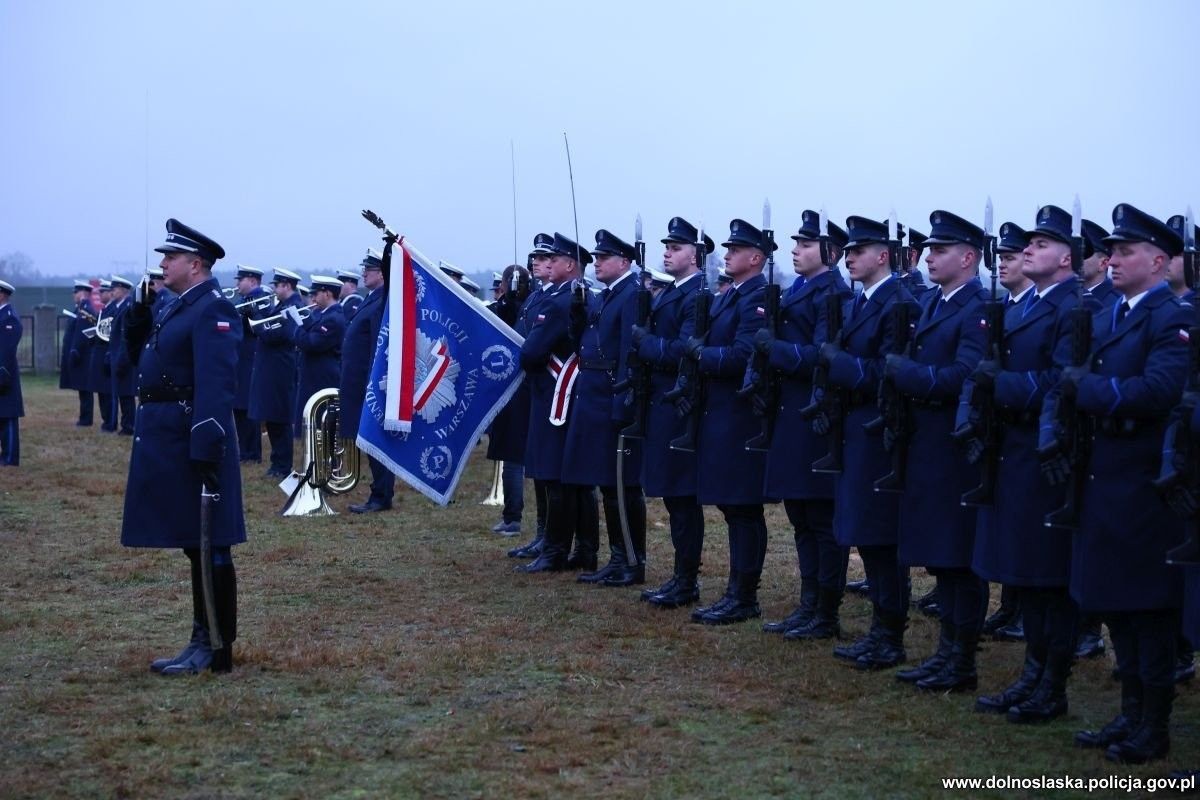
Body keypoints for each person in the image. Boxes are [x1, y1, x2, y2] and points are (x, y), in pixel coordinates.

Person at [1048, 204, 1189, 763]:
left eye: (1126, 251)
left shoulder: (1170, 317)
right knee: (1118, 606)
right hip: (1105, 476)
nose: (1113, 260)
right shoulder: (1109, 314)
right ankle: (1129, 714)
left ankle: (1152, 726)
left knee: (1147, 608)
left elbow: (1161, 391)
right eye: (1113, 251)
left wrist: (1089, 393)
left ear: (1158, 260)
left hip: (1143, 480)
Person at [968, 208, 1088, 721]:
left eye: (1041, 244)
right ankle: (1032, 675)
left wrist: (1002, 386)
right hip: (1014, 451)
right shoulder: (1022, 306)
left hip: (1047, 453)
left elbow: (1063, 381)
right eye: (1030, 244)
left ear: (1066, 257)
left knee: (1047, 577)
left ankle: (1051, 685)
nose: (1028, 251)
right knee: (1026, 575)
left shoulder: (1071, 308)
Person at [122, 218, 243, 675]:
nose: (162, 264)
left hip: (194, 438)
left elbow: (216, 385)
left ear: (195, 264)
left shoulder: (213, 308)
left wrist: (207, 446)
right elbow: (142, 361)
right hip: (172, 437)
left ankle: (215, 645)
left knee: (212, 544)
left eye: (169, 258)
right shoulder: (179, 306)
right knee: (195, 543)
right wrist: (136, 317)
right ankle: (200, 637)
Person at [819, 215, 916, 668]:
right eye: (848, 251)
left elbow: (888, 372)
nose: (849, 258)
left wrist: (839, 367)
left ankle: (890, 635)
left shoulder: (899, 303)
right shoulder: (863, 301)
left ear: (883, 255)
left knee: (882, 536)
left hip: (880, 429)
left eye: (858, 252)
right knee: (867, 535)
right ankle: (881, 629)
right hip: (857, 427)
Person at [757, 211, 852, 639]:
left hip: (814, 415)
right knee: (799, 514)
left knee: (819, 517)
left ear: (829, 252)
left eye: (806, 245)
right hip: (790, 412)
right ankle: (809, 602)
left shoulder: (832, 294)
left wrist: (775, 350)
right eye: (796, 244)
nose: (795, 251)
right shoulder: (800, 289)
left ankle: (825, 610)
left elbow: (821, 356)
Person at [686, 218, 772, 625]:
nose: (727, 254)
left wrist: (701, 356)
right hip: (718, 412)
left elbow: (743, 355)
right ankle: (735, 592)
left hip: (739, 415)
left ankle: (744, 594)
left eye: (735, 250)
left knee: (743, 510)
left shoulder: (757, 297)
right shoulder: (728, 296)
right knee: (731, 508)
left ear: (755, 258)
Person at [635, 217, 711, 608]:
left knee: (682, 497)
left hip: (680, 404)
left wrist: (646, 344)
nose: (667, 252)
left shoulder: (697, 294)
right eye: (666, 246)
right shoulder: (673, 292)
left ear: (696, 255)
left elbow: (683, 350)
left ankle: (686, 580)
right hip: (661, 402)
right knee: (672, 497)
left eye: (676, 247)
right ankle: (680, 575)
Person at [563, 229, 646, 586]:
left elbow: (631, 348)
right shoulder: (604, 296)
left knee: (622, 483)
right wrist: (577, 313)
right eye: (595, 257)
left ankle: (631, 559)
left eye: (603, 257)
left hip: (613, 391)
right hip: (593, 392)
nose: (596, 262)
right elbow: (583, 340)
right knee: (607, 483)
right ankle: (616, 556)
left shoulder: (632, 294)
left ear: (624, 261)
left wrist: (625, 397)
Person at [516, 233, 599, 573]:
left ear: (569, 265)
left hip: (555, 396)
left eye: (556, 258)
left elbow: (532, 352)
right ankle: (585, 549)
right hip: (573, 393)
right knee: (577, 480)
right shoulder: (585, 296)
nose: (548, 263)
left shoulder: (559, 301)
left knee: (555, 477)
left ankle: (555, 549)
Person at [979, 223, 1034, 643]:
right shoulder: (1010, 306)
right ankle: (1012, 606)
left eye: (1011, 257)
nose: (1003, 264)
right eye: (1001, 258)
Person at [340, 249, 395, 514]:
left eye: (369, 269)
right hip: (357, 380)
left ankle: (381, 496)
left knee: (374, 439)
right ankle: (379, 492)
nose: (363, 273)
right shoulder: (369, 299)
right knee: (367, 438)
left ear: (382, 274)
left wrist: (374, 382)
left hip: (368, 382)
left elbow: (378, 343)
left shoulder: (383, 300)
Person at [486, 264, 531, 536]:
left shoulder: (513, 310)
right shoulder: (528, 306)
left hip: (514, 392)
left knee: (513, 459)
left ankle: (513, 516)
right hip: (521, 391)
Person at [249, 268, 303, 478]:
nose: (274, 289)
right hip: (272, 369)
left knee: (279, 418)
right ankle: (277, 463)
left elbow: (275, 335)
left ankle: (282, 465)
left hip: (280, 369)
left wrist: (257, 316)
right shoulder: (283, 305)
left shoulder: (293, 307)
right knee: (272, 418)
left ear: (287, 286)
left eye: (277, 285)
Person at [288, 275, 345, 427]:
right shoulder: (323, 314)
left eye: (316, 294)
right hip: (314, 376)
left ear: (327, 294)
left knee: (320, 426)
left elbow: (311, 343)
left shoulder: (333, 318)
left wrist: (297, 324)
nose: (312, 298)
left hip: (322, 378)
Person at [233, 265, 269, 463]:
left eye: (241, 280)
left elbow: (260, 327)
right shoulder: (242, 301)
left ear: (253, 281)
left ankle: (252, 453)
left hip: (251, 361)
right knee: (238, 408)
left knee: (248, 409)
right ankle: (243, 450)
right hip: (240, 361)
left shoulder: (261, 300)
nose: (237, 283)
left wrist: (251, 313)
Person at [106, 275, 137, 435]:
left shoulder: (127, 307)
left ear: (124, 290)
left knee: (126, 394)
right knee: (122, 393)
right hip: (118, 356)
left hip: (124, 358)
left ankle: (128, 425)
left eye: (115, 289)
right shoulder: (120, 306)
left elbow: (126, 337)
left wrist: (122, 360)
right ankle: (126, 424)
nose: (112, 292)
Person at [63, 280, 96, 426]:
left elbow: (83, 332)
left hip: (84, 355)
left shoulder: (85, 308)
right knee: (82, 389)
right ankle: (84, 417)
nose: (74, 295)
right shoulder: (79, 308)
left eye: (76, 292)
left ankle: (86, 418)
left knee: (85, 388)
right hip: (79, 354)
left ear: (83, 293)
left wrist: (76, 350)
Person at [87, 281, 116, 432]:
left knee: (107, 391)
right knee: (101, 391)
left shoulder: (112, 310)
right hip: (99, 353)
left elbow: (110, 334)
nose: (100, 296)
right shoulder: (104, 310)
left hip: (106, 353)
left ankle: (110, 422)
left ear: (110, 293)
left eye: (102, 292)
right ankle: (106, 421)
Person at [0, 280, 23, 465]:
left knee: (7, 416)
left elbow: (7, 349)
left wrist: (2, 373)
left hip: (4, 373)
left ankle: (10, 457)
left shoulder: (9, 317)